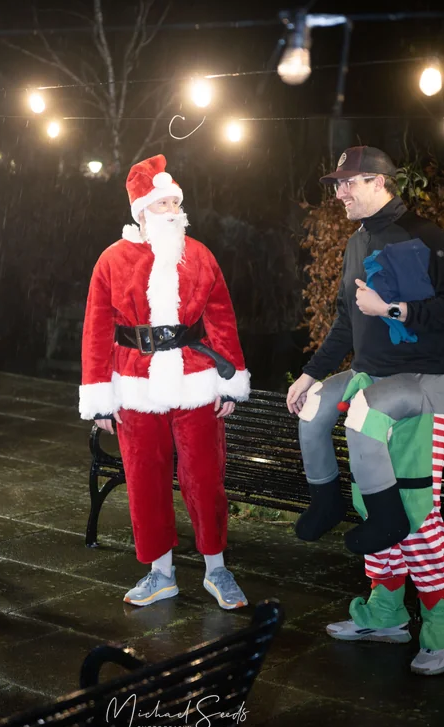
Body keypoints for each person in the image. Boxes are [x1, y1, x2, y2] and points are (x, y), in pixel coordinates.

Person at [286, 145, 444, 675]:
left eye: (347, 184)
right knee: (376, 509)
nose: (338, 193)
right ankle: (385, 614)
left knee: (417, 517)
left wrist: (393, 308)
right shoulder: (358, 242)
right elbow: (343, 322)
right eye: (335, 184)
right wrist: (311, 375)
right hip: (370, 387)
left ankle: (440, 632)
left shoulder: (424, 237)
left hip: (425, 392)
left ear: (379, 182)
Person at [80, 154, 250, 609]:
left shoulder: (200, 255)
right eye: (163, 203)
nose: (174, 208)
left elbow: (221, 318)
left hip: (196, 378)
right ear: (141, 211)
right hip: (134, 382)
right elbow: (96, 330)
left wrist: (230, 380)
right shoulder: (112, 260)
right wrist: (99, 397)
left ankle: (217, 569)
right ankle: (161, 572)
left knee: (205, 477)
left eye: (176, 200)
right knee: (144, 478)